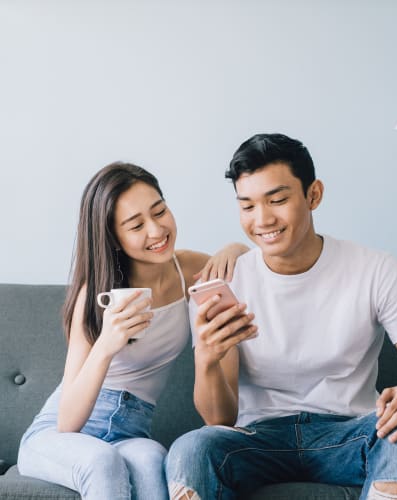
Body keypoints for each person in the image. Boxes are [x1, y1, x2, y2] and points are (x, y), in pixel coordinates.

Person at [166, 133, 397, 500]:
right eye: (247, 206)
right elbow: (219, 420)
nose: (262, 220)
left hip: (352, 434)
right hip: (258, 440)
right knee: (191, 449)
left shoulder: (376, 270)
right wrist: (208, 359)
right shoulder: (227, 282)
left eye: (277, 200)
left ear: (313, 195)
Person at [17, 162, 248, 500]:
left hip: (132, 430)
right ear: (113, 236)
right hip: (58, 436)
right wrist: (107, 345)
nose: (156, 231)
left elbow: (245, 259)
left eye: (160, 211)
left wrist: (233, 249)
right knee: (101, 461)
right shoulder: (95, 294)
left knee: (153, 459)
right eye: (136, 225)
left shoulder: (188, 269)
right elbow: (67, 422)